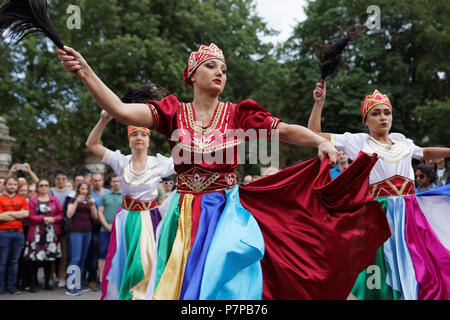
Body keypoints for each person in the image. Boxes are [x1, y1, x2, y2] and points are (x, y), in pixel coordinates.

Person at [56, 43, 394, 301]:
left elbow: (287, 130)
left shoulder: (238, 114)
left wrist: (318, 143)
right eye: (211, 66)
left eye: (224, 68)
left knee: (225, 276)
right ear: (192, 74)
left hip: (227, 209)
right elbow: (118, 109)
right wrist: (85, 70)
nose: (221, 72)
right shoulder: (173, 112)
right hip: (183, 212)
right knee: (186, 285)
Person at [308, 82, 450, 299]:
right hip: (379, 213)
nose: (383, 117)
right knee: (380, 267)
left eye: (387, 112)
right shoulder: (358, 141)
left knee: (420, 261)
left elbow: (425, 153)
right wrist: (319, 103)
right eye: (375, 113)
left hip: (409, 213)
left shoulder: (402, 141)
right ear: (366, 120)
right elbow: (315, 133)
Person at [85, 85, 175, 300]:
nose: (139, 139)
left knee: (143, 266)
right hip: (125, 219)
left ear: (149, 139)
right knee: (125, 264)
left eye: (143, 135)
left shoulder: (159, 164)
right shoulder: (120, 161)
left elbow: (186, 156)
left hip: (148, 219)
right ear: (129, 140)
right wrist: (104, 119)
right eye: (134, 135)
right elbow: (92, 144)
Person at [23, 179, 63, 291]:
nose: (44, 187)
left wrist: (53, 219)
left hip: (50, 233)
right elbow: (30, 216)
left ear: (49, 187)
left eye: (46, 185)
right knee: (33, 260)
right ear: (37, 188)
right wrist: (43, 218)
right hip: (36, 233)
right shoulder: (32, 200)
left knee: (48, 259)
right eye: (41, 185)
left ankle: (46, 283)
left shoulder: (54, 200)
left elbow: (60, 214)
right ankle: (33, 284)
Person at [65, 181, 97, 296]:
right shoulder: (72, 200)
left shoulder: (89, 202)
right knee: (75, 258)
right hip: (76, 232)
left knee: (83, 258)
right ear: (78, 190)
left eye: (86, 189)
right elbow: (69, 215)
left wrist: (93, 205)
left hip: (87, 231)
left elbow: (95, 217)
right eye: (82, 189)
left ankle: (78, 284)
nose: (84, 191)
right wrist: (76, 202)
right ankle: (71, 286)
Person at [0, 177, 29, 295]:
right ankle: (1, 287)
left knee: (14, 261)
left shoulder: (21, 199)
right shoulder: (0, 199)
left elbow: (26, 213)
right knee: (2, 261)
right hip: (3, 233)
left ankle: (11, 287)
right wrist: (18, 214)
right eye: (10, 184)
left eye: (14, 184)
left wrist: (8, 213)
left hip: (18, 233)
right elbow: (0, 217)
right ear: (5, 185)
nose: (12, 186)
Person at [85, 173, 110, 291]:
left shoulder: (108, 192)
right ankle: (92, 278)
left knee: (107, 253)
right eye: (95, 180)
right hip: (94, 226)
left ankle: (107, 278)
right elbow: (93, 214)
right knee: (94, 253)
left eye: (99, 180)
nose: (97, 182)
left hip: (108, 226)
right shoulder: (89, 194)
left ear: (103, 181)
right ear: (91, 182)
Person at [97, 175, 121, 287]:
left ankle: (117, 278)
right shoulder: (105, 196)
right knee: (103, 254)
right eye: (114, 181)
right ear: (110, 183)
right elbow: (100, 212)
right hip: (105, 230)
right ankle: (102, 279)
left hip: (120, 230)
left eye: (118, 181)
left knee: (119, 254)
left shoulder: (126, 196)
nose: (116, 183)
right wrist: (106, 225)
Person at [49, 169, 72, 288]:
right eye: (58, 178)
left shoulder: (71, 193)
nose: (61, 181)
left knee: (64, 253)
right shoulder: (50, 191)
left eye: (63, 178)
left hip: (65, 226)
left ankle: (62, 276)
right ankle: (51, 277)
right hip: (51, 225)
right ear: (55, 180)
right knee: (51, 253)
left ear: (66, 180)